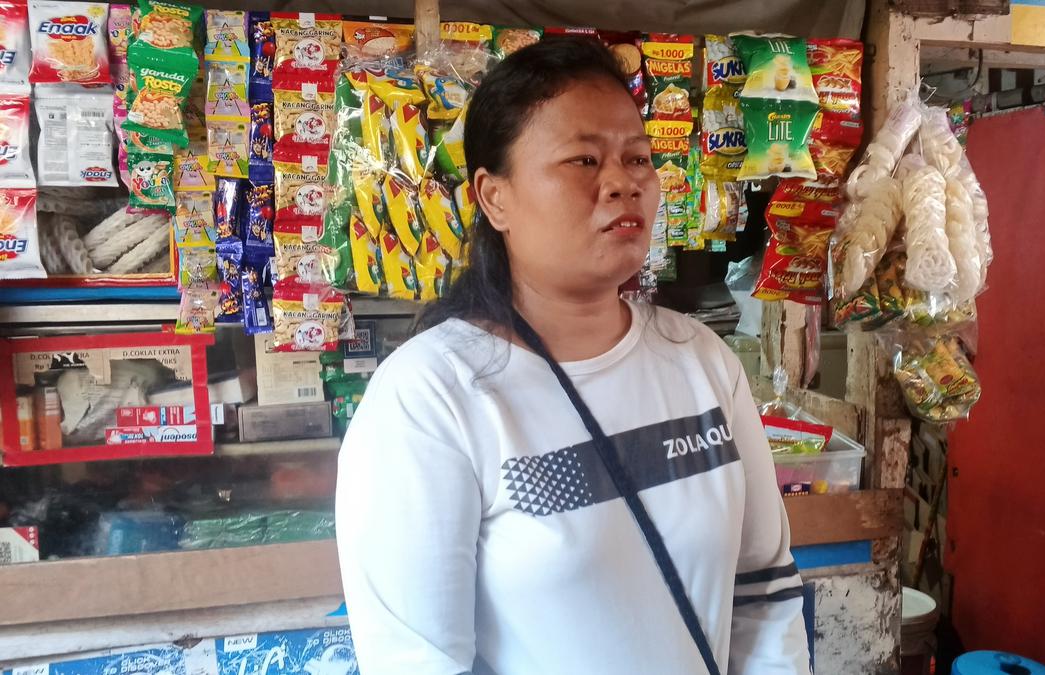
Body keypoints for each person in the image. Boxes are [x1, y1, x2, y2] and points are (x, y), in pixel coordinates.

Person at [336, 36, 812, 675]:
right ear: (494, 197)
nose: (623, 182)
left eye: (638, 158)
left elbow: (763, 591)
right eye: (583, 160)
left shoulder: (701, 361)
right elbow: (417, 661)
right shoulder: (430, 396)